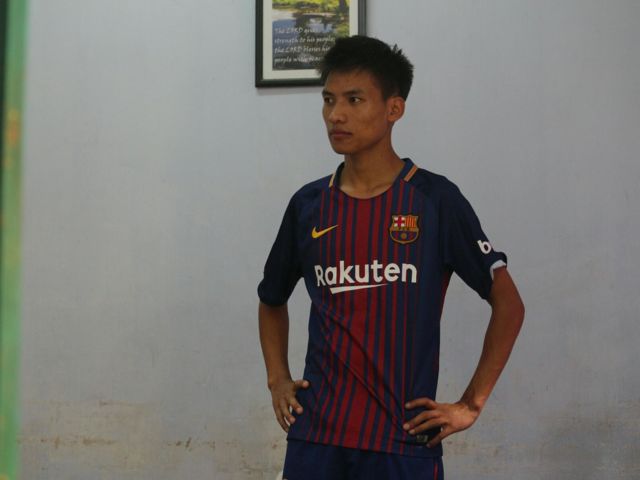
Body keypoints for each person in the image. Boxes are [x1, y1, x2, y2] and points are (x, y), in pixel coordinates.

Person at [258, 35, 524, 480]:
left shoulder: (435, 200)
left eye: (354, 100)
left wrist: (470, 404)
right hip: (316, 439)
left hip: (402, 444)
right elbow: (271, 300)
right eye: (328, 100)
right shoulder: (308, 205)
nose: (335, 115)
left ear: (394, 108)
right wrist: (277, 380)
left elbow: (509, 304)